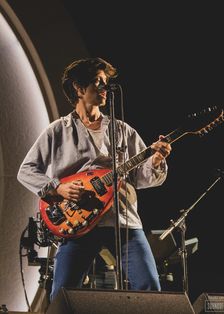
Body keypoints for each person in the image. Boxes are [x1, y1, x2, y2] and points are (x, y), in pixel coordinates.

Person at [17, 57, 172, 302]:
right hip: (76, 223)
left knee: (149, 288)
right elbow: (26, 170)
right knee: (62, 295)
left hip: (122, 220)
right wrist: (59, 188)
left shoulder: (122, 130)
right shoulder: (58, 130)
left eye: (106, 83)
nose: (105, 89)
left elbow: (142, 179)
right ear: (79, 88)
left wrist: (155, 161)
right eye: (98, 82)